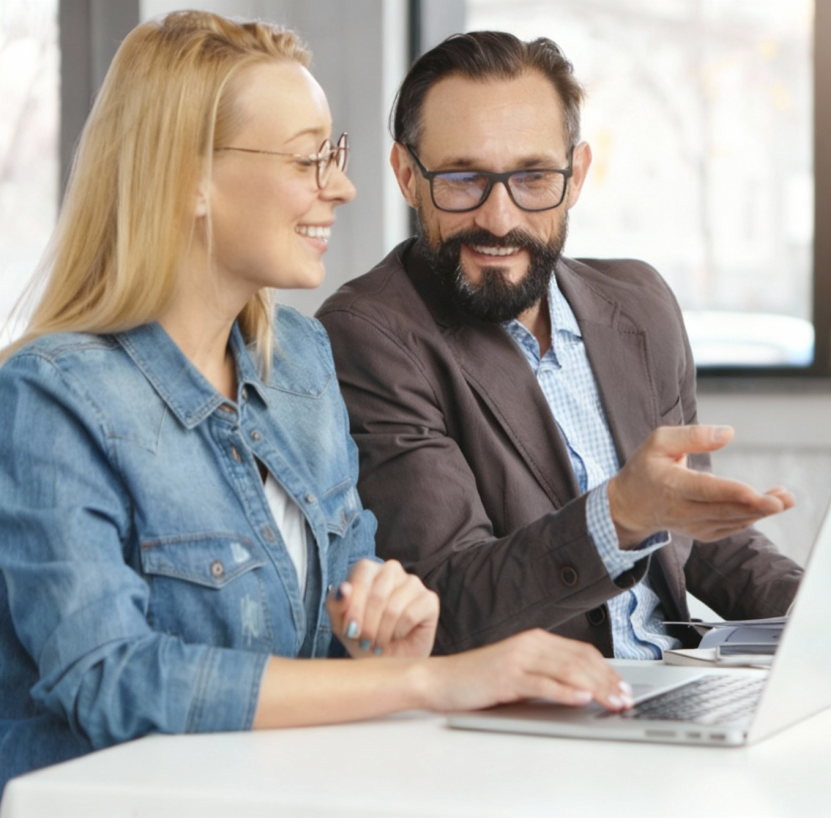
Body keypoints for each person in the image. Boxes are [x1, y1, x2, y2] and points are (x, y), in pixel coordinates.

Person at [0, 13, 628, 794]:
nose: (343, 185)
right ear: (186, 176)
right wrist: (429, 680)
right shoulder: (49, 398)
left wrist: (384, 638)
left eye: (334, 155)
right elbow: (110, 678)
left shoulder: (298, 359)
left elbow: (333, 639)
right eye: (308, 159)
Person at [316, 31, 804, 660]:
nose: (499, 218)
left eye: (534, 177)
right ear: (408, 177)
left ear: (575, 177)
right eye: (463, 180)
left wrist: (829, 618)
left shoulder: (641, 303)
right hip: (538, 717)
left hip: (678, 682)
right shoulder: (369, 334)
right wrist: (618, 517)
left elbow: (695, 537)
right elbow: (444, 601)